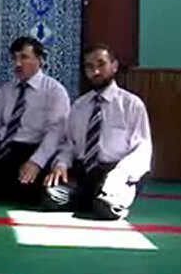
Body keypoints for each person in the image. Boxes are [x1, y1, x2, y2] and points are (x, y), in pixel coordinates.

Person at [43, 44, 152, 219]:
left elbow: (142, 150)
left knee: (106, 208)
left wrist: (120, 174)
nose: (95, 71)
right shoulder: (79, 106)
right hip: (84, 172)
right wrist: (61, 164)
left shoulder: (131, 105)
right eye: (89, 66)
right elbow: (69, 144)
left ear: (114, 66)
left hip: (117, 172)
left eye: (101, 64)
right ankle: (93, 198)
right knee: (50, 197)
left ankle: (106, 198)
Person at [0, 36, 70, 203]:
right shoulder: (6, 90)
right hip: (4, 148)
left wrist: (36, 162)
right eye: (15, 58)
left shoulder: (55, 91)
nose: (18, 64)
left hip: (32, 150)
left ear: (40, 60)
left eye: (24, 57)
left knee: (24, 190)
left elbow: (56, 133)